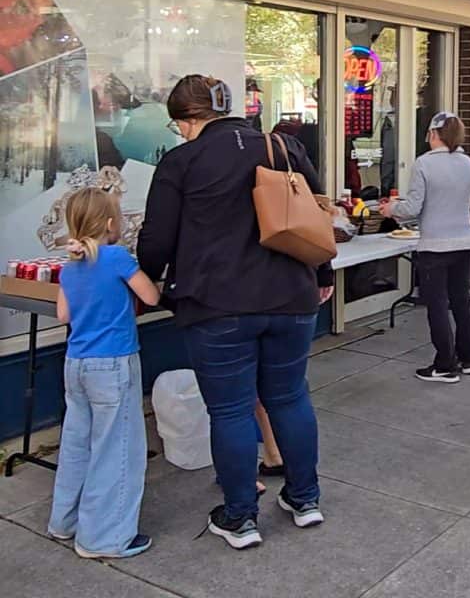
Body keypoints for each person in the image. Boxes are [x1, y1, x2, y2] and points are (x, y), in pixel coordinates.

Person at [137, 74, 334, 549]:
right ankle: (305, 500)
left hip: (218, 303)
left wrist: (145, 277)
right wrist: (323, 274)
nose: (180, 133)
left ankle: (240, 516)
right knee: (290, 398)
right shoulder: (282, 147)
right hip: (291, 295)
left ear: (187, 120)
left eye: (178, 125)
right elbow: (316, 214)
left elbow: (157, 242)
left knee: (229, 410)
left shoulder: (182, 161)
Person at [48, 187, 159, 559]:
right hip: (113, 364)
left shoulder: (70, 266)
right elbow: (151, 296)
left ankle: (64, 521)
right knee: (117, 450)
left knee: (77, 443)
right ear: (111, 223)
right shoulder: (117, 259)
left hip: (76, 363)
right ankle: (104, 538)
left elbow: (63, 315)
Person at [380, 112, 470, 383]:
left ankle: (445, 364)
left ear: (434, 134)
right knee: (460, 301)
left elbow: (413, 208)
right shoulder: (467, 162)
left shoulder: (423, 164)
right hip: (464, 241)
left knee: (436, 304)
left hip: (435, 244)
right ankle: (467, 357)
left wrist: (391, 209)